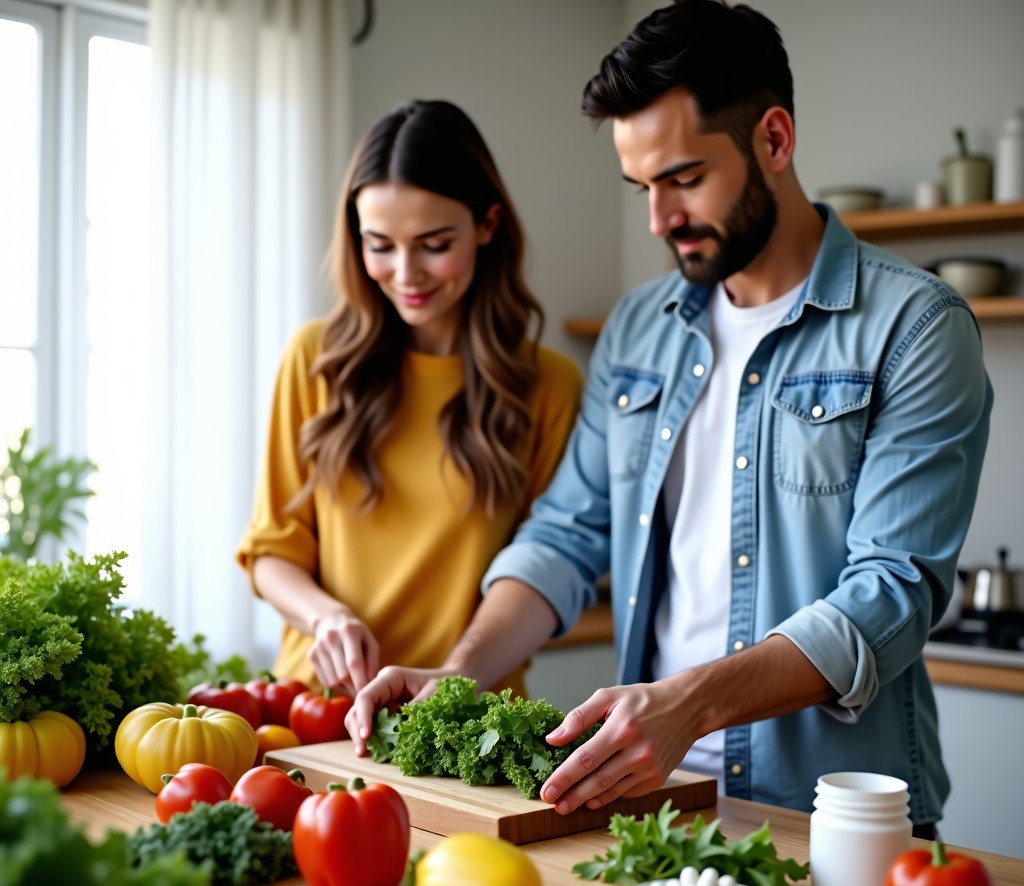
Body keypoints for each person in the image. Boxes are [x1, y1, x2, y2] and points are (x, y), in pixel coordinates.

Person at [346, 1, 992, 836]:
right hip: (648, 804)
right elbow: (565, 535)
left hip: (832, 814)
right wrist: (461, 672)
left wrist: (689, 706)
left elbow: (891, 595)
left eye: (684, 179)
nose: (658, 220)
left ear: (774, 140)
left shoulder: (916, 327)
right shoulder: (638, 328)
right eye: (642, 187)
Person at [236, 99, 583, 698]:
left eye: (433, 243)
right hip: (316, 714)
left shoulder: (548, 386)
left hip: (465, 722)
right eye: (380, 245)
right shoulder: (314, 359)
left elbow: (546, 569)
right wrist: (327, 617)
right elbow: (270, 553)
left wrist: (456, 677)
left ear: (488, 225)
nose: (406, 272)